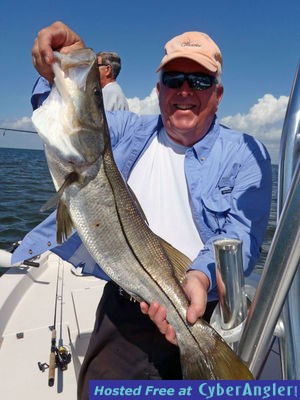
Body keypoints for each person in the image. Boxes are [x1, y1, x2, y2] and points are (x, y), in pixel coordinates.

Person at [15, 21, 272, 399]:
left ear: (217, 94)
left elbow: (240, 236)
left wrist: (199, 278)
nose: (185, 90)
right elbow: (69, 118)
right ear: (158, 90)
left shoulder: (244, 154)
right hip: (124, 309)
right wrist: (68, 67)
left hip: (199, 308)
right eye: (173, 79)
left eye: (200, 81)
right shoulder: (123, 130)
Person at [31, 51, 128, 111]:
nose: (91, 70)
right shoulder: (115, 92)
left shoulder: (109, 92)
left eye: (95, 66)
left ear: (107, 70)